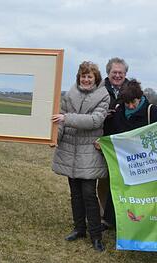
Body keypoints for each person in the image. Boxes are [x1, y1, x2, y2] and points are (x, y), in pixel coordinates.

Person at [52, 61, 110, 252]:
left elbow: (95, 121)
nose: (85, 79)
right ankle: (79, 229)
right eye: (83, 76)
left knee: (88, 194)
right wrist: (54, 137)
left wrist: (67, 119)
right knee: (75, 194)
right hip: (70, 150)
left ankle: (96, 236)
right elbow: (59, 119)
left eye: (89, 76)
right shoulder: (70, 94)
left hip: (89, 152)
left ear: (96, 78)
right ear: (79, 77)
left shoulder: (103, 96)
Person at [99, 57, 129, 229]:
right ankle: (104, 217)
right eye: (114, 72)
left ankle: (121, 215)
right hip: (102, 140)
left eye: (121, 73)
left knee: (120, 181)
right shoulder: (99, 88)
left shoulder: (133, 89)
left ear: (125, 74)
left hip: (123, 144)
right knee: (103, 179)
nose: (117, 75)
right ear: (108, 73)